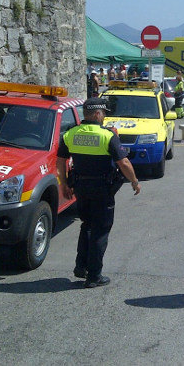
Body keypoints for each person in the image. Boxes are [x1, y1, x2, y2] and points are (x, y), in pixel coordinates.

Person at [57, 98, 141, 288]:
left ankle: (81, 266)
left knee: (86, 225)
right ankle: (94, 276)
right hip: (102, 189)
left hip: (80, 188)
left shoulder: (70, 134)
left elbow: (60, 161)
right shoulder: (107, 136)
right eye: (103, 113)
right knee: (100, 231)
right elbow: (124, 163)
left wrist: (63, 184)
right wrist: (135, 182)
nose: (104, 116)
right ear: (96, 114)